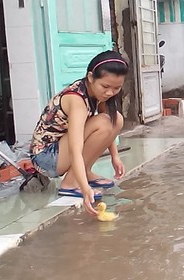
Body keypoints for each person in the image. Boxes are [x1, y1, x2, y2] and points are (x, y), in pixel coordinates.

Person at [30, 50, 128, 215]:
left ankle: (85, 172)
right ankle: (71, 183)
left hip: (60, 151)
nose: (110, 92)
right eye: (105, 86)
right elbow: (75, 149)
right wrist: (85, 189)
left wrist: (115, 157)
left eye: (116, 88)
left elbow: (111, 126)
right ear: (90, 77)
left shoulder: (99, 94)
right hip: (46, 157)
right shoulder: (76, 99)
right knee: (103, 122)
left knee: (115, 119)